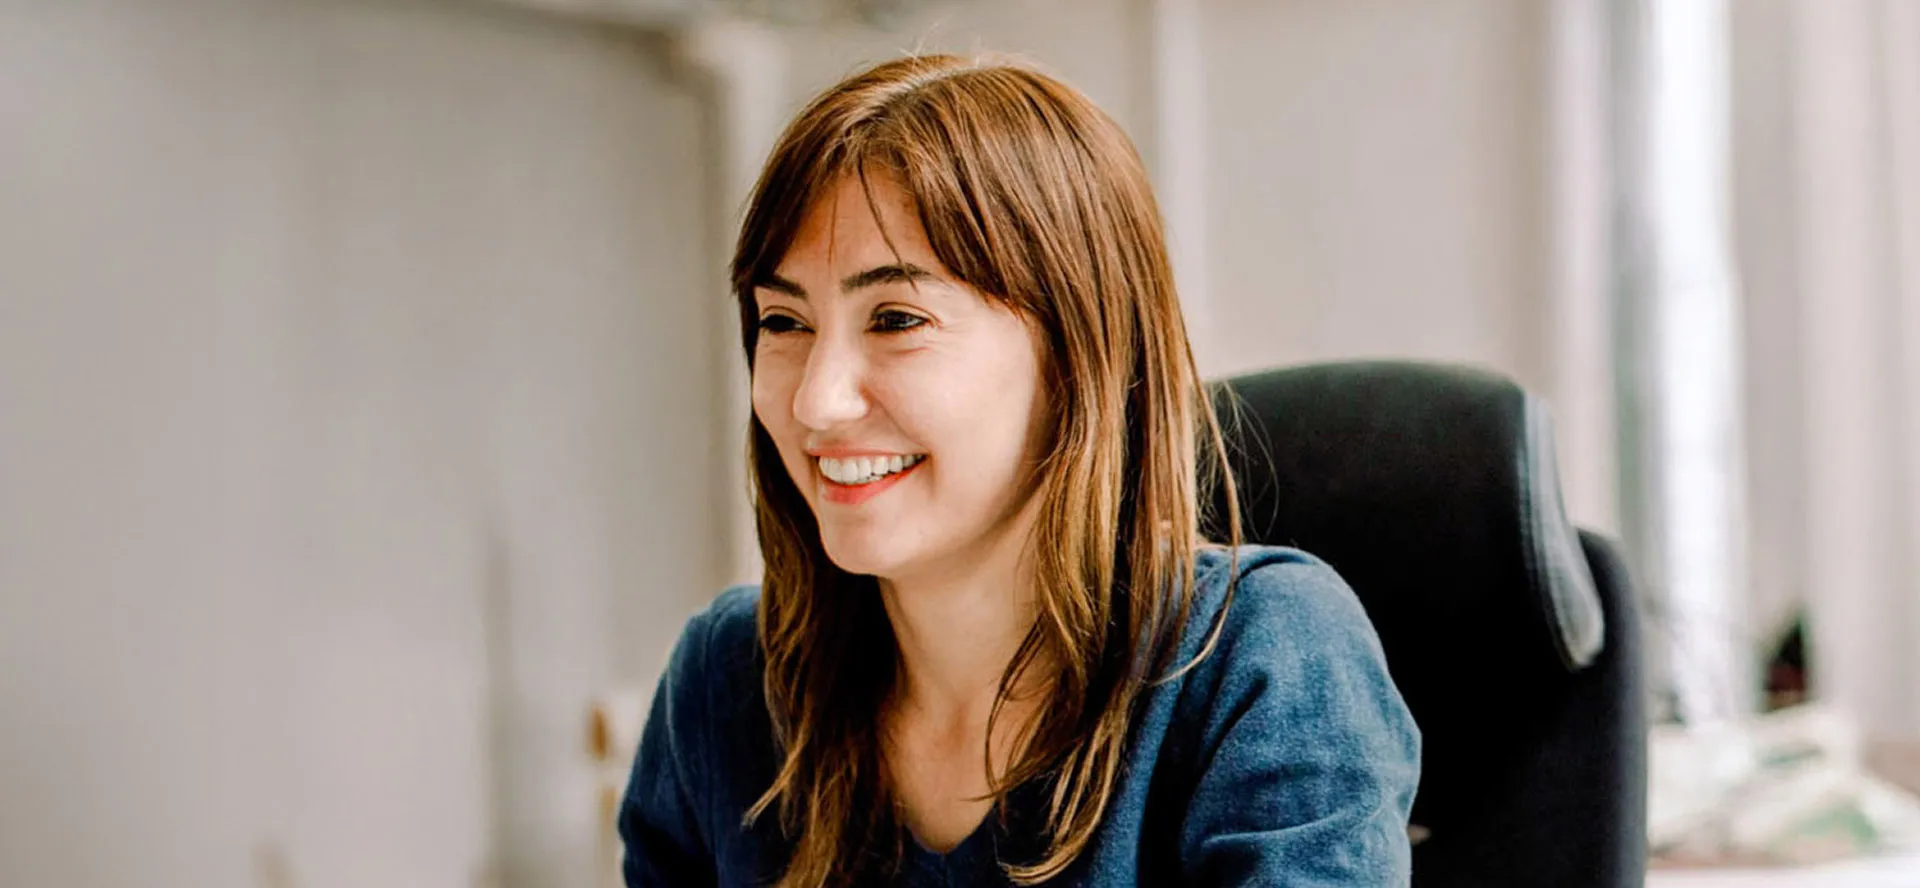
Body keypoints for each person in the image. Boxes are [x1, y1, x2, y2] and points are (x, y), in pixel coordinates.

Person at [619, 53, 1419, 887]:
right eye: (783, 321)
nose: (817, 402)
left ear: (1075, 354)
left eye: (896, 318)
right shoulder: (724, 684)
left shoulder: (1259, 657)